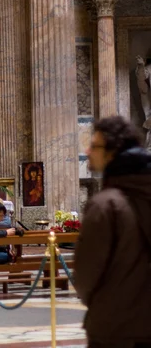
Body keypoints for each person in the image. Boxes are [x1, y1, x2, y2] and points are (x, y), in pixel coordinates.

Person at [74, 116, 151, 347]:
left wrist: (101, 303)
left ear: (112, 152)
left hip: (115, 327)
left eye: (94, 146)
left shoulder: (106, 205)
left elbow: (86, 273)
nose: (87, 151)